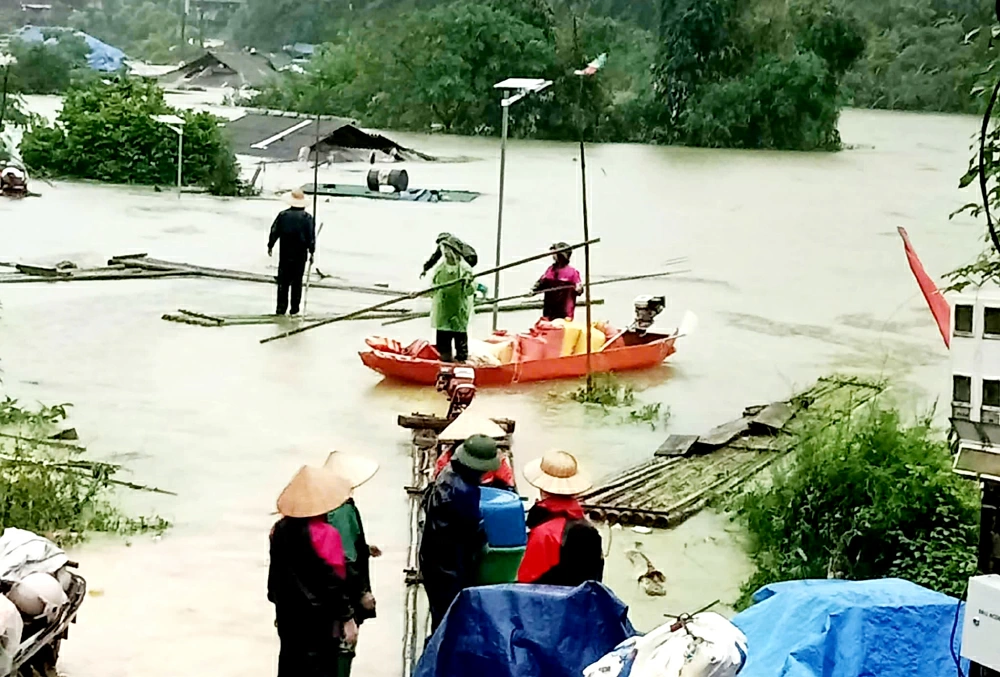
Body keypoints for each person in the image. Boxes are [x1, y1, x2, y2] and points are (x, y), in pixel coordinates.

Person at [268, 466, 357, 677]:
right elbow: (334, 581)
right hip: (320, 622)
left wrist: (279, 608)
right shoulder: (327, 534)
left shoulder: (278, 530)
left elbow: (274, 581)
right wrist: (348, 617)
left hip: (289, 617)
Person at [419, 434, 499, 632]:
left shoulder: (448, 472)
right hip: (449, 568)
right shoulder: (464, 491)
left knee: (441, 616)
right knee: (452, 619)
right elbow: (472, 535)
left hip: (432, 559)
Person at [323, 452, 382, 677]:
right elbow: (345, 559)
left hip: (321, 597)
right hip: (342, 596)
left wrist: (364, 548)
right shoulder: (343, 510)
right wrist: (362, 592)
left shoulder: (324, 507)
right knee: (344, 646)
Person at [518, 450, 604, 587]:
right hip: (582, 598)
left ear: (542, 488)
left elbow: (527, 581)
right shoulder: (588, 528)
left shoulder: (544, 533)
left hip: (549, 598)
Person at [268, 188, 316, 316]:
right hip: (300, 255)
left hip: (285, 253)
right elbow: (311, 237)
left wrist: (270, 245)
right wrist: (312, 251)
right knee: (297, 282)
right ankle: (294, 309)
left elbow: (274, 231)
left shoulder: (283, 215)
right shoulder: (308, 218)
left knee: (283, 282)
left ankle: (281, 309)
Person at [431, 240, 476, 363]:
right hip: (443, 309)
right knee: (443, 345)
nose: (446, 253)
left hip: (458, 310)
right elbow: (433, 288)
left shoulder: (465, 269)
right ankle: (445, 363)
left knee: (460, 341)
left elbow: (470, 291)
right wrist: (418, 294)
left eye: (448, 249)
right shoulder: (440, 268)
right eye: (444, 250)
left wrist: (468, 283)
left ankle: (462, 362)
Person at [532, 242, 583, 321]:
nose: (553, 256)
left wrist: (579, 288)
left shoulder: (572, 272)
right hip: (549, 314)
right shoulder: (550, 270)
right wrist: (533, 290)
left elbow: (579, 288)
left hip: (565, 315)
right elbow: (541, 283)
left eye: (555, 253)